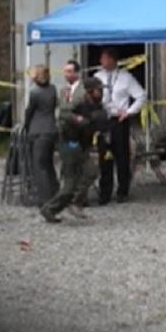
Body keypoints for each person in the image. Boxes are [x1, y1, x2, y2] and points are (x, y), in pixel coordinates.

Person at [40, 78, 110, 223]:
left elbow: (97, 123)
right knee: (70, 184)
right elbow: (63, 114)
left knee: (91, 172)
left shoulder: (96, 105)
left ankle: (76, 202)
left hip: (83, 146)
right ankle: (50, 208)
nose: (101, 92)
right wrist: (77, 119)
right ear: (91, 91)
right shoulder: (79, 102)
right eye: (99, 89)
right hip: (69, 144)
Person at [92, 48, 146, 204]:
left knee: (122, 156)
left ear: (112, 60)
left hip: (119, 120)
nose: (101, 61)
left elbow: (141, 96)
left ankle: (123, 190)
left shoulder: (125, 77)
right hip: (103, 120)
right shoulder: (98, 77)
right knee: (104, 157)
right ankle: (105, 192)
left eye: (104, 58)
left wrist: (129, 112)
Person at [24, 65, 59, 206]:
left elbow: (29, 112)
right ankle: (55, 192)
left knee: (39, 166)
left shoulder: (34, 92)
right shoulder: (53, 89)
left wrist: (26, 125)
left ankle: (44, 198)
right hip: (51, 129)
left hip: (38, 131)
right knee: (49, 164)